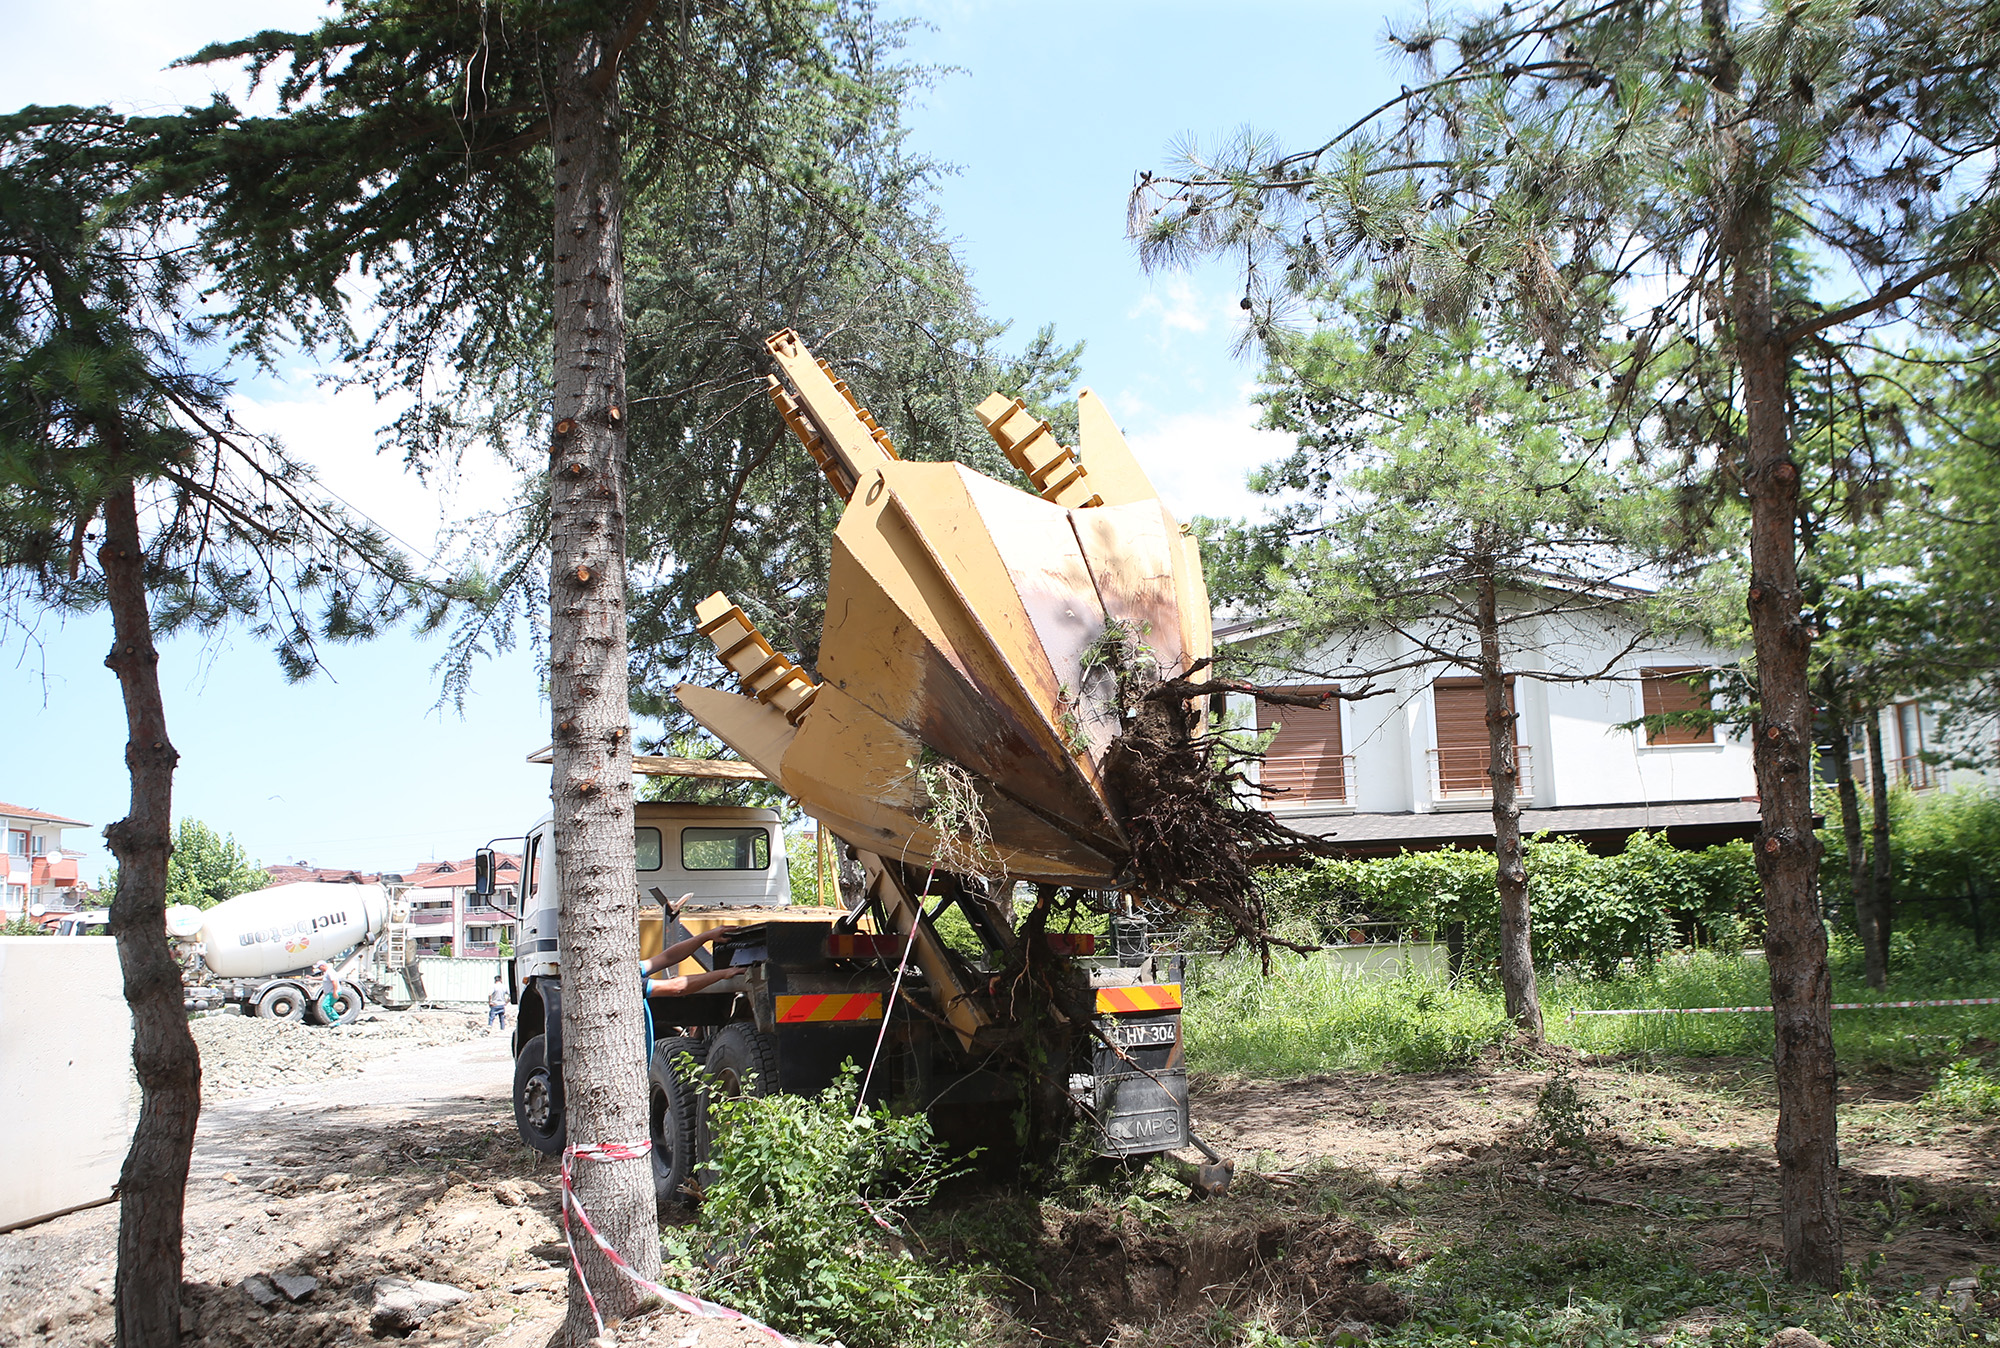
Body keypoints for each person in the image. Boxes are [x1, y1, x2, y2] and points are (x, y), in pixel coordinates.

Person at [640, 916, 746, 996]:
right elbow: (676, 987)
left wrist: (706, 936)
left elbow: (668, 957)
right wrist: (723, 973)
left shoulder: (630, 970)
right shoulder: (629, 983)